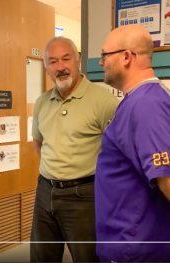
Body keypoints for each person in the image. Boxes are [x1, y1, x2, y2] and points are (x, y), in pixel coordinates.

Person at [30, 36, 119, 262]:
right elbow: (39, 143)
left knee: (87, 257)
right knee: (41, 257)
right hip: (45, 192)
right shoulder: (42, 102)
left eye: (65, 59)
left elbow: (120, 151)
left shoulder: (103, 101)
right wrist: (57, 173)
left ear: (78, 60)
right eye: (53, 61)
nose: (60, 67)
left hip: (84, 195)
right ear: (46, 68)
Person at [95, 24, 170, 262]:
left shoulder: (147, 105)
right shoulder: (138, 101)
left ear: (126, 56)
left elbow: (166, 179)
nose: (100, 62)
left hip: (136, 249)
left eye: (105, 55)